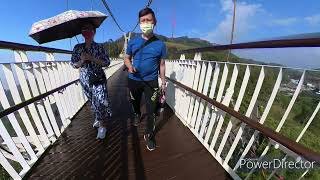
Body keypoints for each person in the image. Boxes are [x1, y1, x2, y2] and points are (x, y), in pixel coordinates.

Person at [124, 8, 167, 151]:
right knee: (134, 102)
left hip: (151, 82)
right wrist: (130, 67)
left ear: (155, 22)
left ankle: (149, 134)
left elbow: (162, 64)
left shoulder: (161, 44)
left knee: (151, 110)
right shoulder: (133, 42)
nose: (146, 23)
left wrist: (163, 82)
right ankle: (136, 113)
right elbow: (126, 58)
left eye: (149, 20)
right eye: (143, 21)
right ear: (139, 23)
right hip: (133, 79)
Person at [71, 23, 112, 140]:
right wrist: (82, 60)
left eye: (89, 29)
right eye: (84, 28)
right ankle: (98, 118)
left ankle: (102, 126)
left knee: (101, 100)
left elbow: (107, 62)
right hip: (85, 78)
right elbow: (74, 64)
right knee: (93, 100)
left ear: (94, 31)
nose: (86, 31)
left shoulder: (99, 47)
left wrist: (92, 58)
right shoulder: (77, 47)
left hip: (98, 77)